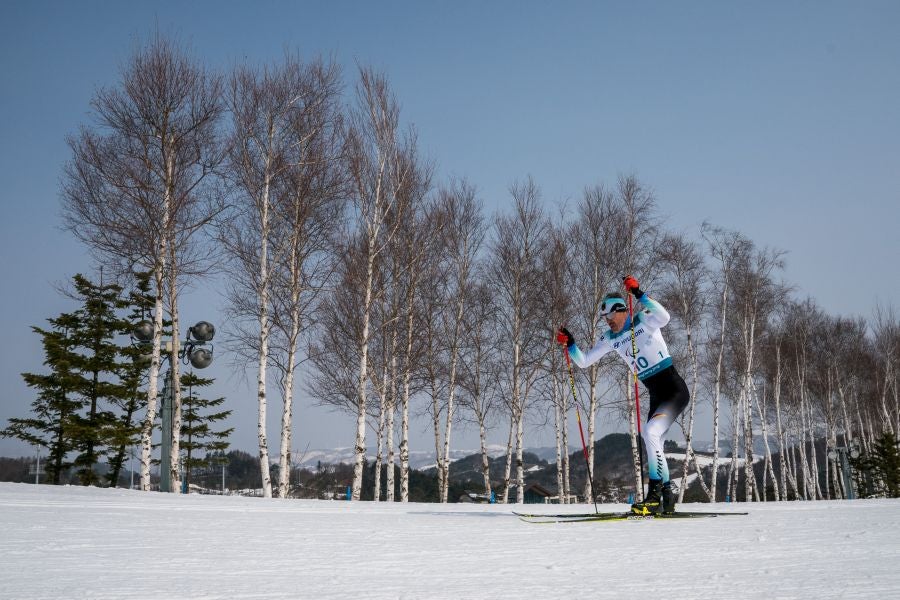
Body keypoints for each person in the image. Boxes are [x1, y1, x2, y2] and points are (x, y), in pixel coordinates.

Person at [556, 276, 689, 515]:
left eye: (610, 316)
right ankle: (667, 499)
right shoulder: (610, 338)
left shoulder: (644, 320)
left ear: (621, 310)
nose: (607, 321)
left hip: (674, 390)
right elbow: (585, 362)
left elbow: (665, 317)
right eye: (604, 318)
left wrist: (639, 294)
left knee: (650, 432)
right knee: (653, 440)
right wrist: (571, 345)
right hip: (656, 394)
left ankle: (654, 496)